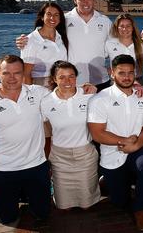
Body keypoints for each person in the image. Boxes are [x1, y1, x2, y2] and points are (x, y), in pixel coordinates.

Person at [0, 55, 51, 225]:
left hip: (36, 167)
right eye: (6, 73)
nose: (12, 78)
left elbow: (65, 96)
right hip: (3, 170)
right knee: (7, 219)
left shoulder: (38, 93)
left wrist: (88, 90)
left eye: (17, 73)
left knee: (43, 215)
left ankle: (29, 199)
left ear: (23, 74)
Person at [87, 54, 143, 232]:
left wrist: (136, 144)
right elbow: (97, 133)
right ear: (112, 73)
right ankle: (110, 181)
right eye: (121, 73)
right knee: (119, 202)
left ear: (136, 74)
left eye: (130, 73)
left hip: (137, 147)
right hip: (112, 151)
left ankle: (141, 208)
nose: (127, 77)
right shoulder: (100, 99)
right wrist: (124, 141)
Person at [40, 61, 100, 210]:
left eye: (71, 76)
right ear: (54, 79)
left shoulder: (89, 96)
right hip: (60, 158)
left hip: (85, 155)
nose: (67, 81)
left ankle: (101, 182)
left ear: (76, 77)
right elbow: (37, 128)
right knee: (63, 207)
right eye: (62, 77)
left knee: (87, 205)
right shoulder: (46, 102)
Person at [21, 2, 68, 87]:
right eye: (48, 14)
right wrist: (31, 96)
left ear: (60, 18)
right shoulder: (31, 40)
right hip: (40, 84)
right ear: (42, 17)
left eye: (56, 15)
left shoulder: (61, 37)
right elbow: (26, 74)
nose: (52, 18)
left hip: (61, 83)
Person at [105, 13, 143, 82]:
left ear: (133, 28)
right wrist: (109, 71)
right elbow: (99, 61)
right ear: (117, 28)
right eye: (121, 26)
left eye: (128, 26)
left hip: (137, 81)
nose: (125, 29)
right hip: (116, 82)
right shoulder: (109, 43)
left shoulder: (142, 44)